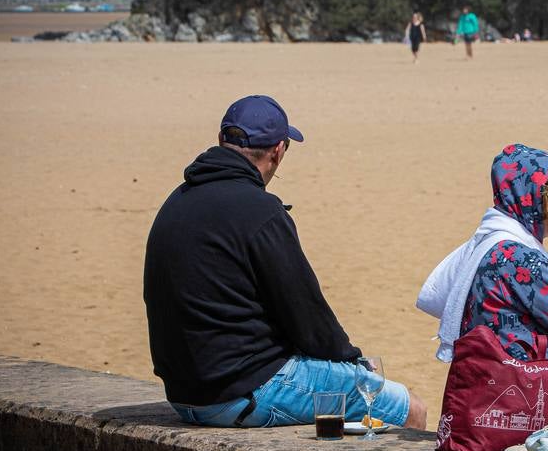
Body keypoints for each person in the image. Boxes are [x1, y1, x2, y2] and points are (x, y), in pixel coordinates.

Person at [144, 95, 428, 430]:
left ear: (222, 140)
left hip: (184, 394)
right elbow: (305, 313)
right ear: (278, 151)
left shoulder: (177, 199)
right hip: (239, 393)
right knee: (409, 408)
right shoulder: (259, 210)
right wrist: (353, 362)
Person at [416, 144, 548, 406]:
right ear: (525, 193)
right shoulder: (520, 261)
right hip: (527, 410)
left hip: (486, 404)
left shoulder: (487, 246)